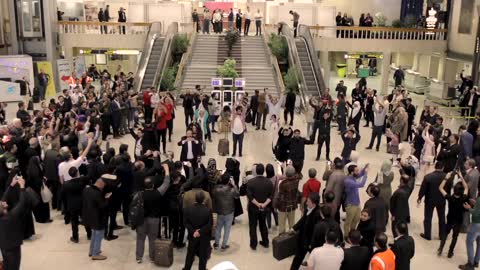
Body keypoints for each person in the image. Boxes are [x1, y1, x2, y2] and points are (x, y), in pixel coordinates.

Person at [135, 164, 170, 263]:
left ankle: (139, 257)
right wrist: (166, 169)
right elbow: (166, 183)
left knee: (140, 238)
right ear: (153, 185)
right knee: (152, 239)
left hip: (141, 220)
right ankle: (152, 256)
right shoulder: (158, 193)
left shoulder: (139, 194)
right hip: (154, 220)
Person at [82, 175, 113, 260]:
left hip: (89, 216)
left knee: (94, 234)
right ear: (101, 184)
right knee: (99, 235)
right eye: (103, 185)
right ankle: (95, 254)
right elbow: (103, 206)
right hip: (97, 218)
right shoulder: (97, 193)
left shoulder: (86, 189)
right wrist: (107, 198)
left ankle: (92, 251)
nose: (103, 187)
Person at [438, 173, 468, 258]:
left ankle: (440, 248)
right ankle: (450, 252)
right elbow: (466, 187)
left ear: (453, 190)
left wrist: (446, 178)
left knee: (445, 234)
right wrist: (461, 176)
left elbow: (440, 188)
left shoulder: (450, 198)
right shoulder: (463, 198)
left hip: (450, 219)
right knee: (455, 237)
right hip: (458, 221)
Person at [0, 176, 27, 270]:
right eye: (2, 204)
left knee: (6, 266)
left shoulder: (5, 215)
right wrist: (22, 187)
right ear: (3, 209)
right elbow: (22, 203)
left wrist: (11, 185)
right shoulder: (10, 217)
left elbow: (4, 197)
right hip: (13, 248)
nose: (3, 202)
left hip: (3, 247)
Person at [290, 192, 321, 270]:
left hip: (311, 242)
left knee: (315, 259)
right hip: (303, 239)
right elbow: (303, 220)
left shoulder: (318, 214)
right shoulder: (308, 208)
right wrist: (294, 228)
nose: (306, 203)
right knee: (298, 258)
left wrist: (311, 244)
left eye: (308, 201)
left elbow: (316, 231)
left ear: (314, 204)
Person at [183, 191, 213, 270]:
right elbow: (209, 225)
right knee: (203, 256)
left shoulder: (188, 209)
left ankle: (187, 268)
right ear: (203, 199)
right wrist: (200, 232)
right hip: (204, 237)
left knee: (190, 254)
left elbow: (186, 223)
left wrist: (194, 232)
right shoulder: (208, 210)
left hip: (192, 236)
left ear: (195, 199)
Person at [246, 164, 273, 250]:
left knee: (253, 226)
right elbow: (271, 196)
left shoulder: (250, 182)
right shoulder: (269, 182)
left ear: (256, 171)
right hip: (264, 208)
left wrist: (257, 204)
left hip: (253, 208)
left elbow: (250, 197)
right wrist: (263, 204)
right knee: (263, 225)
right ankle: (265, 242)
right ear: (263, 171)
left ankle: (253, 244)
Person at [417, 161, 446, 241]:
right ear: (443, 168)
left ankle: (427, 234)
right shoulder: (447, 177)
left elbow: (423, 189)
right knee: (442, 217)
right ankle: (442, 235)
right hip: (441, 200)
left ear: (435, 167)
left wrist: (419, 197)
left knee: (428, 217)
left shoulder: (428, 177)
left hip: (430, 200)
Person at [63, 167, 91, 243]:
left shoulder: (66, 184)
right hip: (82, 203)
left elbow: (64, 196)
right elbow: (88, 178)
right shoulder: (83, 181)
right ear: (77, 172)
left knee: (74, 221)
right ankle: (89, 234)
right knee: (85, 219)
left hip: (72, 205)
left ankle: (75, 237)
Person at [212, 173, 239, 250]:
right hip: (229, 212)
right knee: (227, 229)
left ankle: (216, 244)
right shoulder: (232, 190)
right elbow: (237, 195)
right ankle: (224, 245)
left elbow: (213, 194)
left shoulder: (216, 189)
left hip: (220, 211)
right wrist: (234, 185)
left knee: (218, 228)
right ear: (228, 181)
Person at [344, 164, 369, 235]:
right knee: (348, 222)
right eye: (356, 170)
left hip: (357, 203)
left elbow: (360, 174)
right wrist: (366, 174)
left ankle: (352, 233)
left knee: (356, 219)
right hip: (351, 204)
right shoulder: (348, 181)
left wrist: (364, 168)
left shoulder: (353, 176)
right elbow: (361, 184)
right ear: (352, 172)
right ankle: (346, 235)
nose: (358, 171)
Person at [276, 165, 300, 234]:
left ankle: (282, 239)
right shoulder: (296, 181)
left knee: (282, 225)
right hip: (293, 206)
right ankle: (291, 239)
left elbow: (280, 196)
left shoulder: (283, 184)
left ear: (286, 174)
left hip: (283, 207)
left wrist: (276, 205)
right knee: (292, 225)